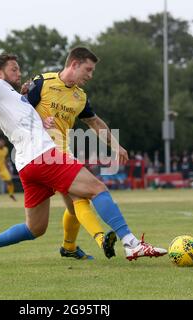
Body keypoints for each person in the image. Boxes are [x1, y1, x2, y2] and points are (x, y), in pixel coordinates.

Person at [0, 53, 167, 265]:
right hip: (43, 157)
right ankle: (131, 244)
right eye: (13, 69)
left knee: (36, 228)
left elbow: (23, 118)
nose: (19, 73)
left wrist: (43, 120)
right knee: (97, 188)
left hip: (27, 164)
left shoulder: (17, 97)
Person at [22, 47, 129, 260]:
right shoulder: (42, 82)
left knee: (74, 207)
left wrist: (116, 146)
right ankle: (101, 239)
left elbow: (95, 122)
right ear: (74, 64)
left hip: (62, 153)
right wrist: (40, 120)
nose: (90, 75)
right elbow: (20, 111)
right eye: (88, 70)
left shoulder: (80, 97)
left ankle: (69, 248)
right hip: (42, 154)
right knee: (82, 198)